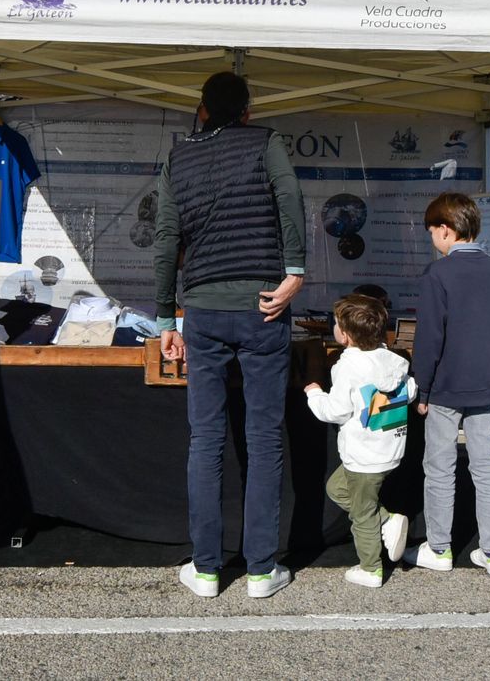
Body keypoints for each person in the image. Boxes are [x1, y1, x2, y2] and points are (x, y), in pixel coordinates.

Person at [155, 71, 306, 600]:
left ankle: (206, 570)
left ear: (201, 109)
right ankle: (262, 572)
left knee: (206, 438)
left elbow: (165, 238)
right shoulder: (267, 142)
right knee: (263, 439)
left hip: (202, 310)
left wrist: (162, 321)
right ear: (247, 110)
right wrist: (296, 271)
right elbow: (290, 200)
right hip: (264, 307)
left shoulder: (179, 157)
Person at [405, 192, 490, 577]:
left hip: (447, 387)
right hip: (487, 384)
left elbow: (429, 337)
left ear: (446, 231)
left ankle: (439, 548)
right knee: (486, 468)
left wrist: (423, 387)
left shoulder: (438, 274)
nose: (432, 237)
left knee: (439, 467)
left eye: (433, 230)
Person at [303, 294, 415, 588]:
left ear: (346, 336)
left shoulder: (347, 367)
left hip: (364, 456)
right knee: (337, 488)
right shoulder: (396, 361)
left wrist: (314, 393)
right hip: (389, 449)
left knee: (362, 513)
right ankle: (388, 520)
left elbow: (335, 411)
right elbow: (410, 392)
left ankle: (371, 568)